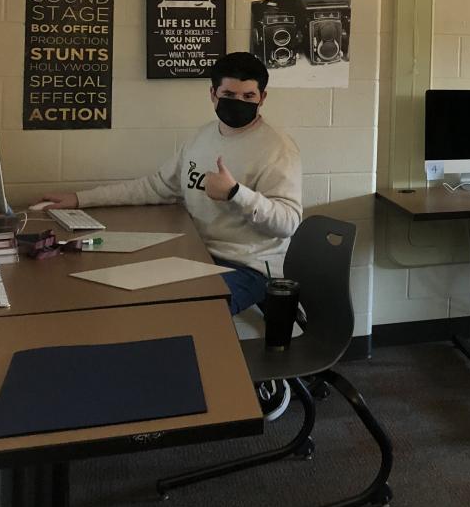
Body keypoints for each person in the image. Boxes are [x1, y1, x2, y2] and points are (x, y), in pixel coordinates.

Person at [41, 51, 303, 317]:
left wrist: (235, 194)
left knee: (188, 314)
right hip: (196, 254)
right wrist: (80, 199)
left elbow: (288, 223)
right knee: (120, 292)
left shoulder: (278, 149)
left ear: (262, 98)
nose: (238, 103)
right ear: (213, 94)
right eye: (229, 94)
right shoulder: (203, 136)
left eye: (248, 96)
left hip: (249, 266)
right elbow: (156, 186)